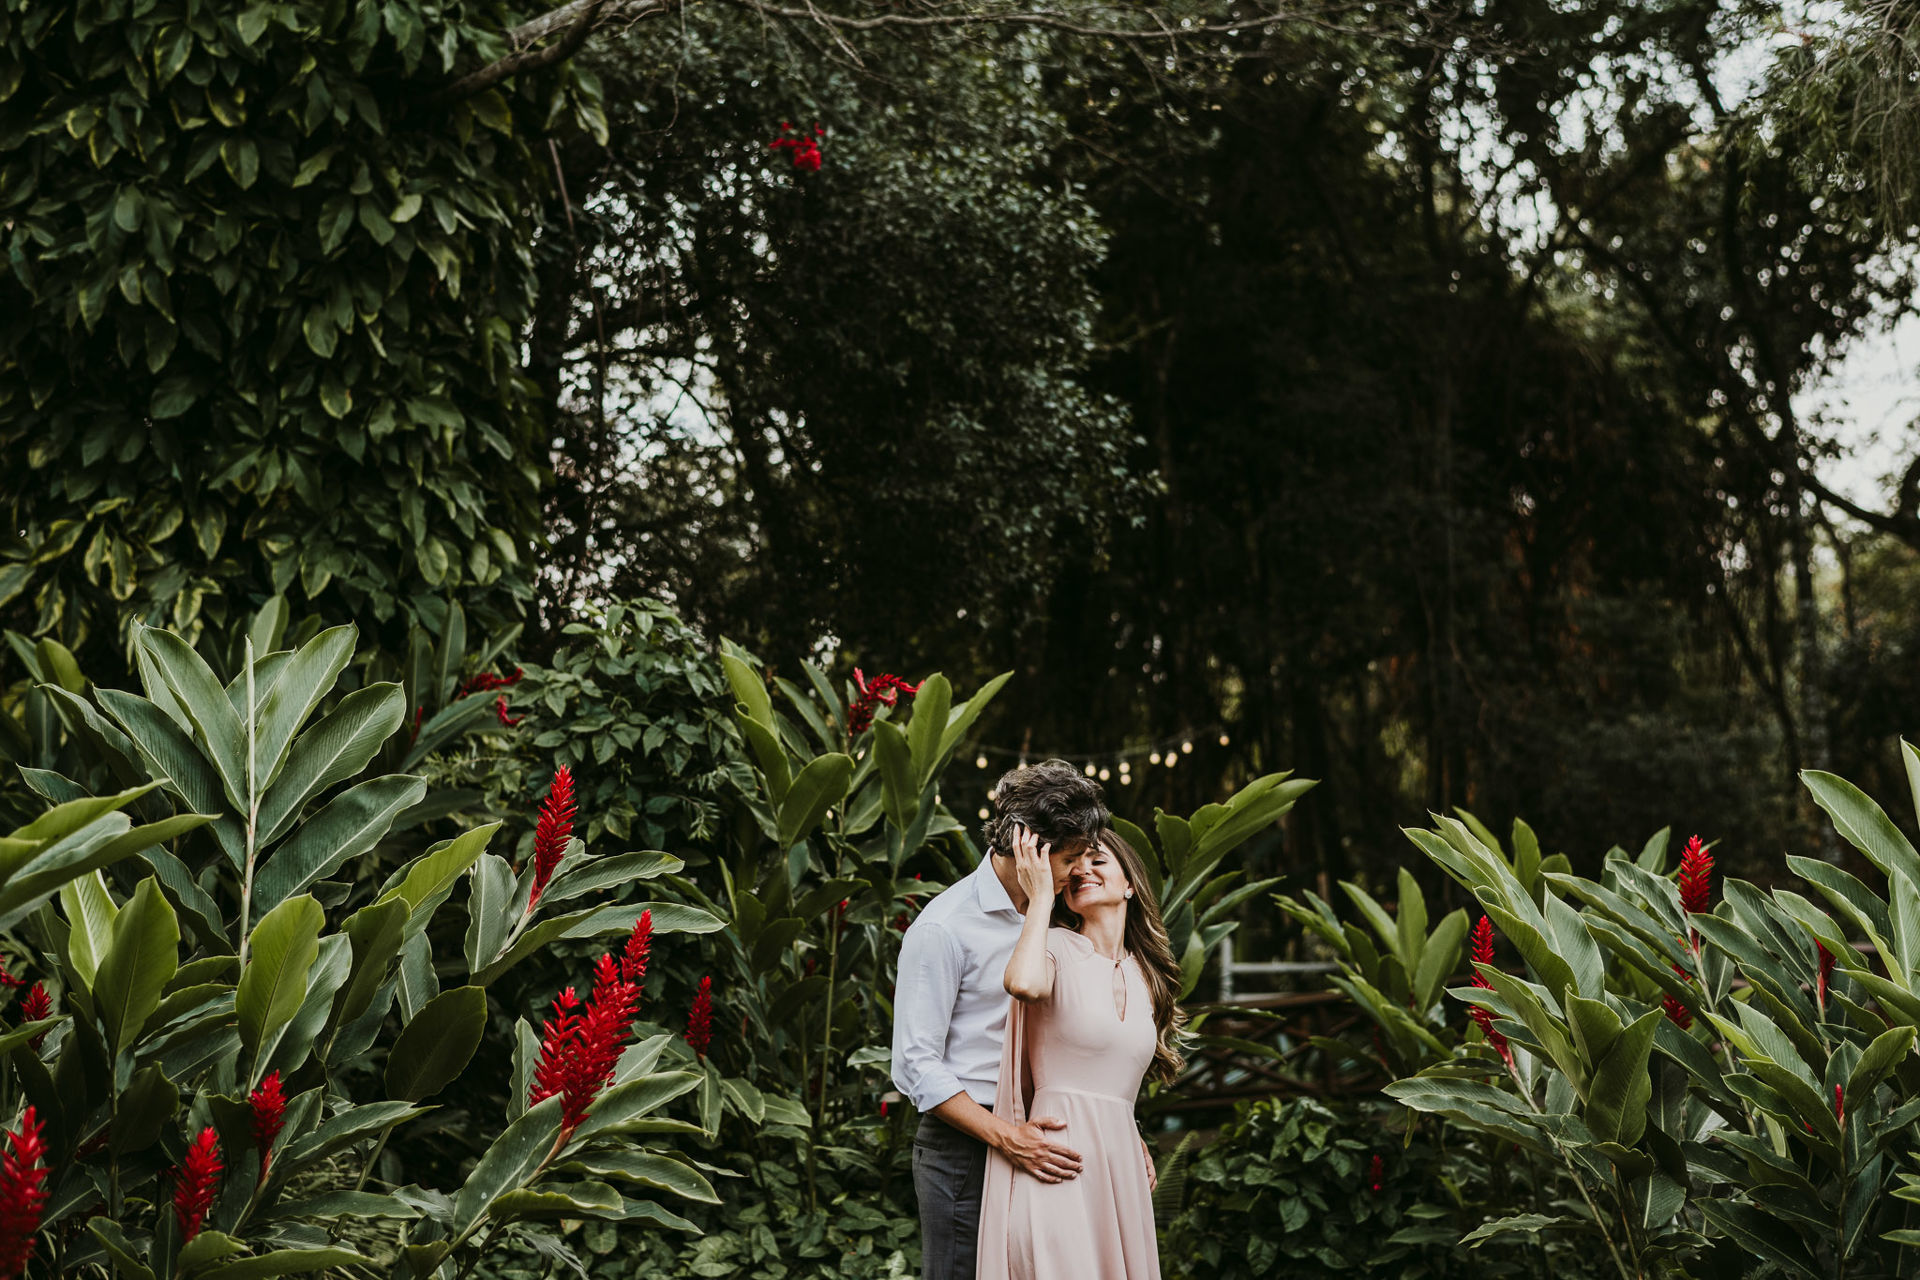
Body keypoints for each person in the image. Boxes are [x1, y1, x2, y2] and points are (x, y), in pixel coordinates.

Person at [892, 761, 1111, 1280]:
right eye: (1070, 857)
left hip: (1049, 1135)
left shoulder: (1062, 913)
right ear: (1027, 846)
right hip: (967, 1148)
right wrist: (1006, 1137)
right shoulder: (943, 928)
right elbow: (915, 1065)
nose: (1080, 871)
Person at [975, 825, 1186, 1280]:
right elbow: (1024, 985)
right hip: (1057, 1164)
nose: (1082, 870)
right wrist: (1042, 899)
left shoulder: (1148, 977)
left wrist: (1129, 1136)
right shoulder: (1052, 947)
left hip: (1120, 1172)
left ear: (1130, 883)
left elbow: (1114, 1079)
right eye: (1075, 863)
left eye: (1097, 860)